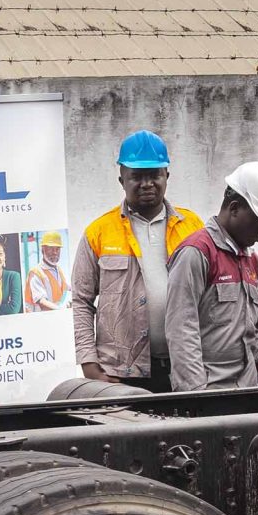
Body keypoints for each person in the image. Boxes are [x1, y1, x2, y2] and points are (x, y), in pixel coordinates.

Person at [71, 130, 203, 390]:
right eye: (137, 177)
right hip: (121, 373)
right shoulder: (98, 232)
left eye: (154, 175)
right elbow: (81, 300)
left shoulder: (193, 227)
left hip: (186, 366)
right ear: (122, 180)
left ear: (167, 177)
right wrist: (88, 362)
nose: (147, 184)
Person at [164, 163, 258, 391]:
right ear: (234, 207)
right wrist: (196, 396)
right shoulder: (196, 253)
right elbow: (181, 333)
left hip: (245, 391)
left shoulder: (251, 260)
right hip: (208, 392)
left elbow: (248, 332)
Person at [26, 231, 69, 311]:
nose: (55, 252)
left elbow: (66, 288)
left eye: (57, 249)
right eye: (51, 249)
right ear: (43, 250)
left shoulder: (58, 270)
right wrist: (61, 310)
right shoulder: (35, 273)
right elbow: (42, 302)